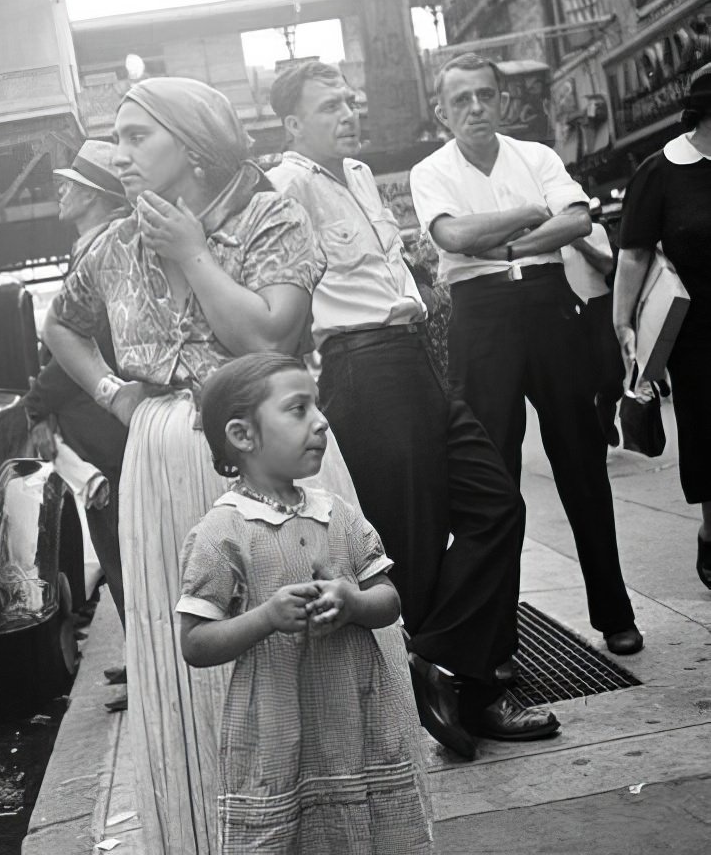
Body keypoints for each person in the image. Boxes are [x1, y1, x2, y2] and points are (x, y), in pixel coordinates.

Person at [42, 77, 341, 855]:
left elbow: (269, 337)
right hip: (162, 456)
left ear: (197, 147)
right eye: (118, 137)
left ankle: (312, 825)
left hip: (263, 448)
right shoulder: (111, 246)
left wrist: (193, 253)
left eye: (138, 136)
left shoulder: (271, 216)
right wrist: (114, 393)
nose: (121, 153)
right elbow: (62, 325)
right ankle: (211, 826)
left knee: (292, 631)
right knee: (196, 637)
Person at [268, 60, 558, 761]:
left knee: (497, 507)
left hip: (416, 359)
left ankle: (441, 661)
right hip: (364, 370)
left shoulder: (362, 175)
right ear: (291, 124)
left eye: (349, 99)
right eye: (329, 105)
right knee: (416, 544)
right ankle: (473, 692)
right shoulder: (284, 188)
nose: (347, 111)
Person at [410, 52, 641, 656]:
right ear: (442, 110)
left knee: (582, 461)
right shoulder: (430, 171)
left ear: (501, 100)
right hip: (480, 317)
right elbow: (452, 237)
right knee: (493, 478)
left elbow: (576, 222)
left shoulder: (535, 155)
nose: (476, 108)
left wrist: (503, 241)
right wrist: (531, 217)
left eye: (485, 95)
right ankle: (498, 637)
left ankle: (614, 613)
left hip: (547, 305)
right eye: (461, 99)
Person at [178, 352, 433, 855]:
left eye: (317, 405)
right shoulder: (221, 534)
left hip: (358, 725)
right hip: (276, 738)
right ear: (242, 436)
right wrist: (265, 617)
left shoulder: (335, 513)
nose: (322, 420)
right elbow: (195, 642)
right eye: (299, 409)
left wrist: (355, 603)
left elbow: (389, 600)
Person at [23, 141, 132, 674]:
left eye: (71, 184)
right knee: (119, 553)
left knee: (123, 552)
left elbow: (82, 350)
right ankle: (144, 659)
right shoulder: (96, 245)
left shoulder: (101, 250)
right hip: (102, 432)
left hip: (105, 434)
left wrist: (35, 405)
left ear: (94, 195)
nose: (60, 190)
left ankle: (153, 667)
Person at [613, 62, 711, 589]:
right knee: (707, 430)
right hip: (696, 330)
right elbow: (632, 255)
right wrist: (623, 323)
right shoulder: (663, 169)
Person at [561, 203, 623, 445]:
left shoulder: (596, 231)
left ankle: (605, 410)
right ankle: (593, 434)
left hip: (600, 305)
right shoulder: (546, 239)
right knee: (580, 381)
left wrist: (580, 243)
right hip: (568, 311)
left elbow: (607, 265)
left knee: (613, 376)